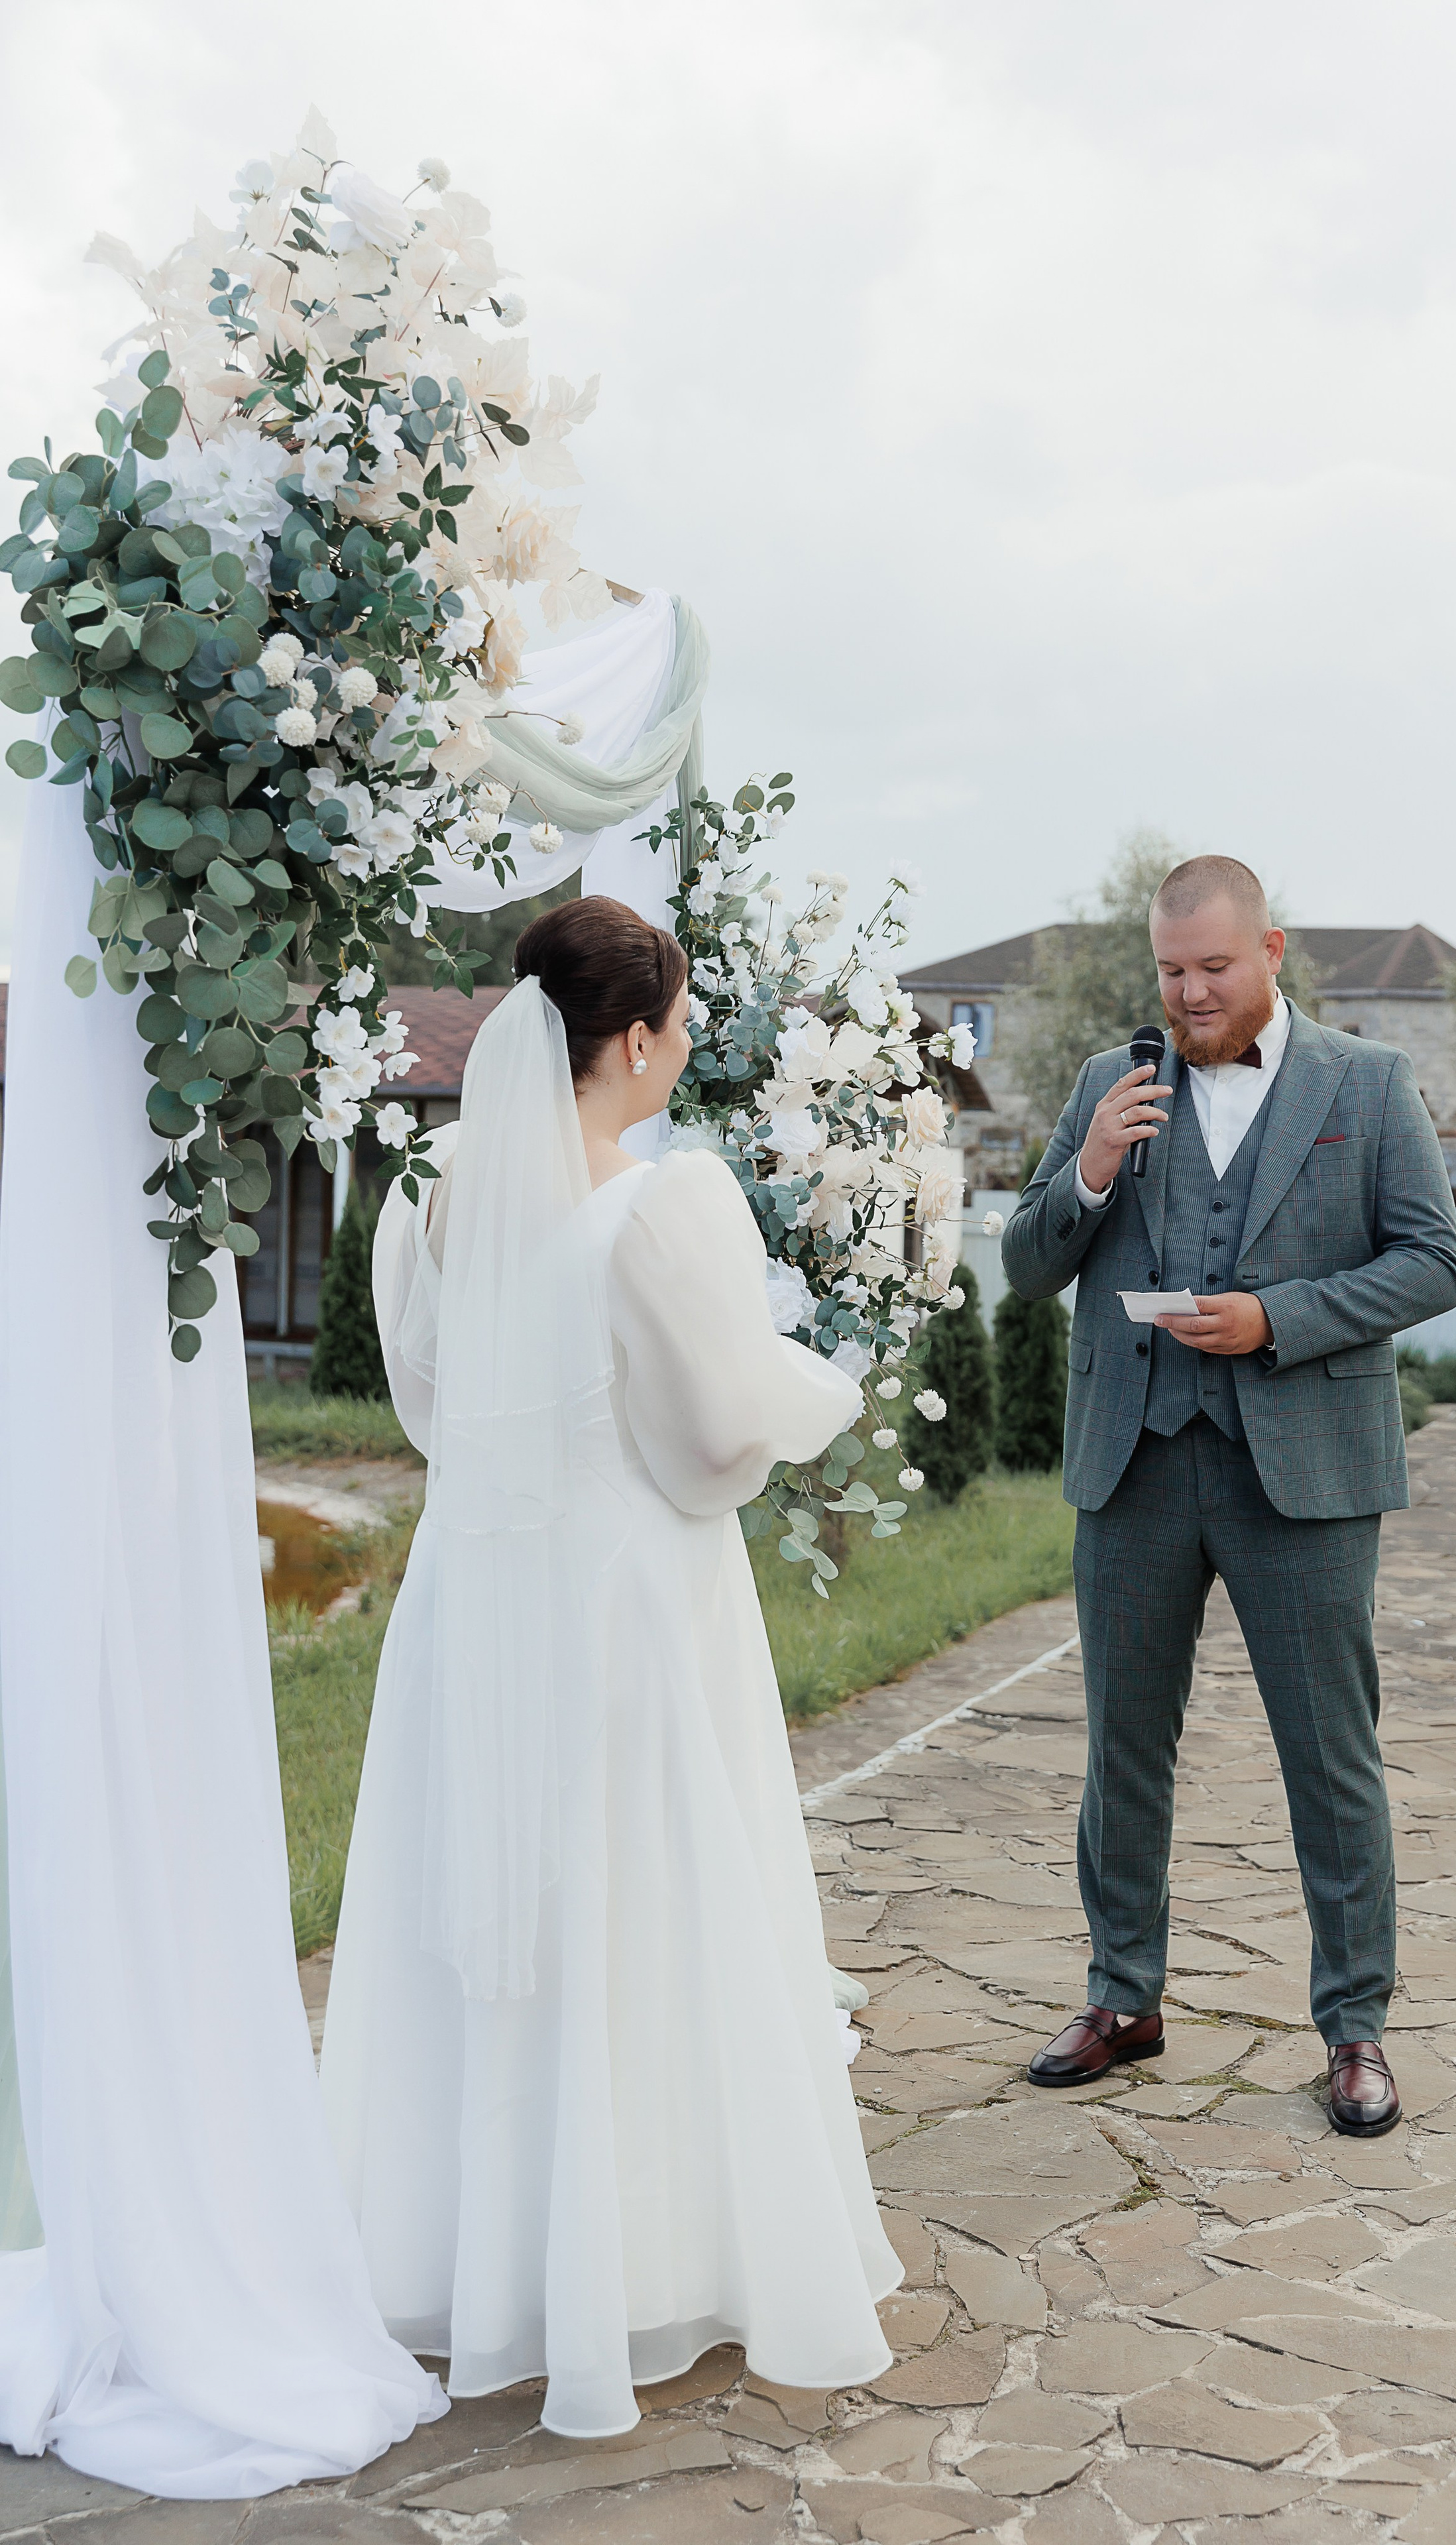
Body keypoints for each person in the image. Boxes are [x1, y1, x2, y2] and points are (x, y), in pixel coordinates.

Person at [319, 897, 899, 2436]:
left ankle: (478, 2253)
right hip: (626, 1607)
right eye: (685, 1022)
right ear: (631, 1042)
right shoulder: (667, 1203)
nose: (692, 1045)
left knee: (487, 1905)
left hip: (475, 1593)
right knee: (636, 1904)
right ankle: (635, 2261)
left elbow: (437, 1413)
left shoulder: (431, 1193)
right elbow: (711, 1447)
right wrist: (814, 1382)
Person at [1001, 857, 1456, 2135]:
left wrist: (1279, 1317)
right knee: (1122, 1749)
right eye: (1171, 971)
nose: (1190, 993)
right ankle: (1123, 1995)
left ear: (1271, 951)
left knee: (1331, 1757)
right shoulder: (1112, 1083)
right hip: (1133, 1462)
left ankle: (1355, 2027)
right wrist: (1089, 1172)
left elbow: (1433, 1262)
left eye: (1213, 967)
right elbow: (1029, 1264)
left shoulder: (1367, 1087)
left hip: (1302, 1472)